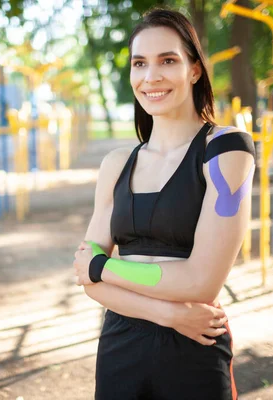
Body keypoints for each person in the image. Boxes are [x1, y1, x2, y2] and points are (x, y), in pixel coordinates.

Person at [72, 7, 255, 400]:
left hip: (194, 350)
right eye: (140, 63)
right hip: (123, 346)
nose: (150, 76)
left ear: (194, 69)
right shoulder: (117, 164)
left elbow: (200, 282)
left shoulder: (225, 149)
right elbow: (89, 284)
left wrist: (104, 266)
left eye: (167, 60)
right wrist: (170, 313)